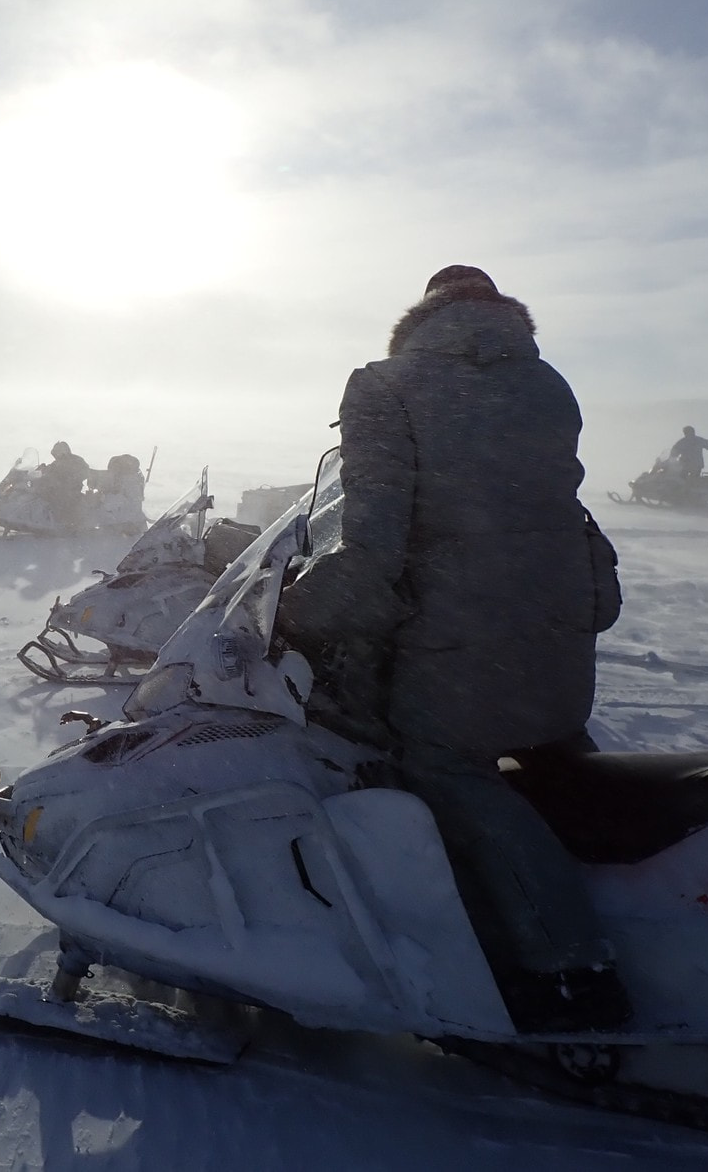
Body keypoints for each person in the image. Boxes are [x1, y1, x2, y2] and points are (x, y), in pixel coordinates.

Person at [275, 265, 630, 1033]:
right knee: (546, 752)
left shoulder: (385, 386)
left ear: (421, 317)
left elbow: (373, 543)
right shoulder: (547, 384)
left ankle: (572, 971)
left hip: (461, 635)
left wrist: (298, 613)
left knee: (440, 763)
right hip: (557, 634)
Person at [39, 441, 91, 529]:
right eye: (55, 454)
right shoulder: (58, 462)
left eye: (57, 453)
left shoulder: (75, 460)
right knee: (45, 492)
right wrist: (42, 469)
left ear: (63, 451)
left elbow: (85, 471)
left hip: (71, 489)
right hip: (60, 487)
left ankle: (65, 523)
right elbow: (50, 469)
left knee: (60, 498)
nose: (56, 456)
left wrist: (71, 478)